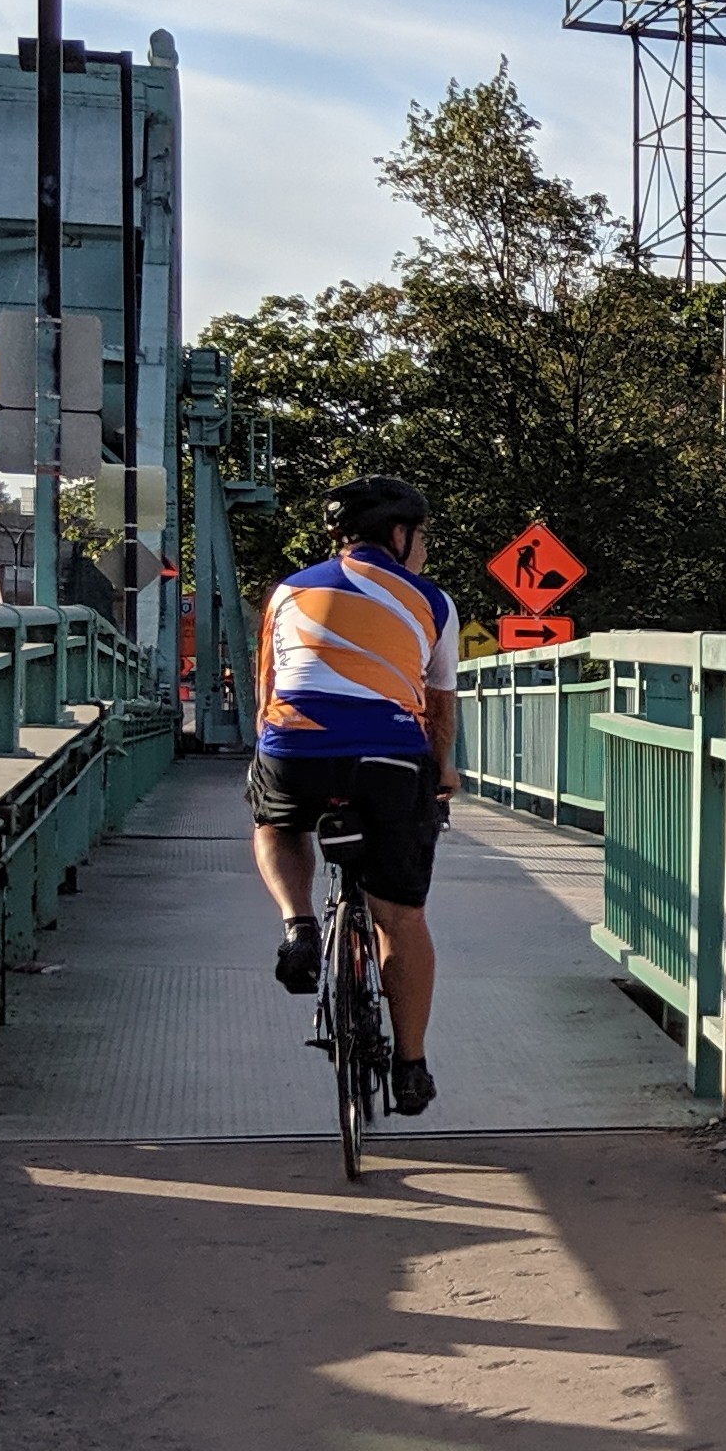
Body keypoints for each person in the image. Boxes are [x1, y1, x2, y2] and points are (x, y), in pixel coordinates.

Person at [249, 475, 459, 1116]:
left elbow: (267, 699)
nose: (423, 548)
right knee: (402, 919)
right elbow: (438, 713)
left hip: (296, 751)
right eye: (421, 536)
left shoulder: (287, 592)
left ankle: (299, 924)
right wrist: (443, 776)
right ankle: (412, 1065)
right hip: (388, 759)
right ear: (399, 535)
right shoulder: (433, 602)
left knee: (276, 825)